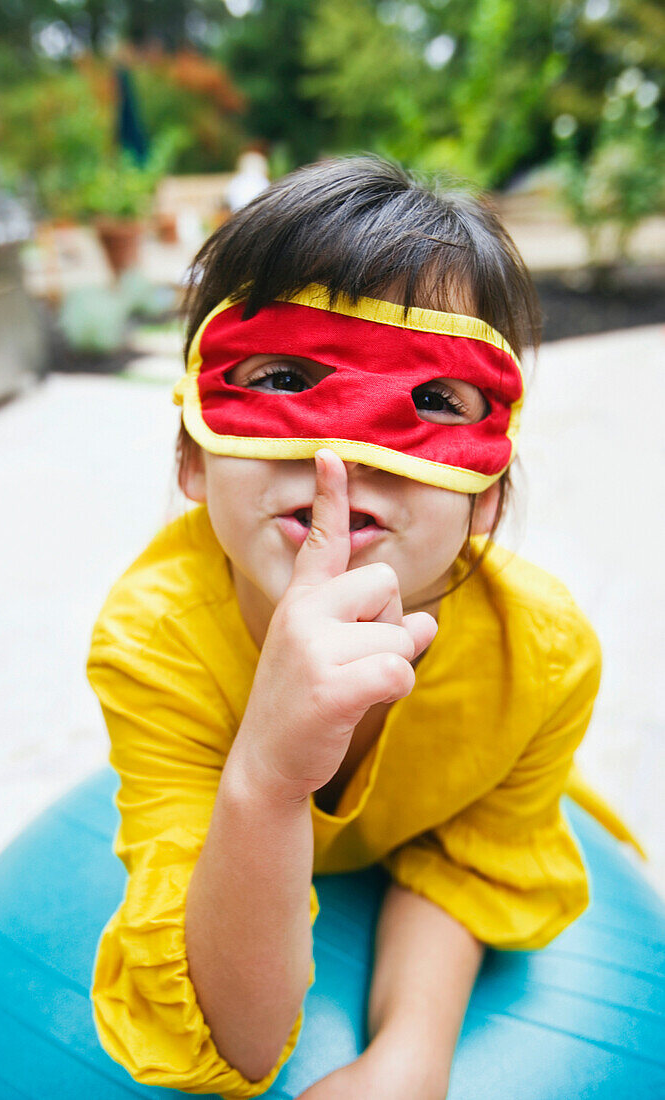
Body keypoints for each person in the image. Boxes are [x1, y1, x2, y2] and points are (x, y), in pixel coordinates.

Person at [86, 156, 640, 1099]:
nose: (344, 454)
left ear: (487, 499)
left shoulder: (539, 659)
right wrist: (264, 774)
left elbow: (464, 853)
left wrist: (410, 1052)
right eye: (284, 377)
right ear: (191, 456)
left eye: (433, 399)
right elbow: (239, 1047)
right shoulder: (154, 644)